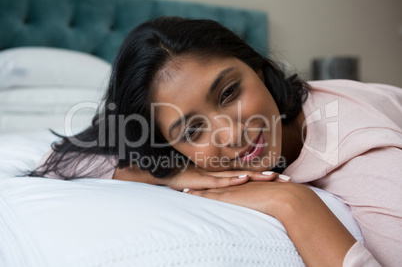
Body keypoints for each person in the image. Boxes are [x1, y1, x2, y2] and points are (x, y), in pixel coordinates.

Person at [30, 16, 402, 266]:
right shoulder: (172, 155)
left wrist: (292, 202)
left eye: (228, 93)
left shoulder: (368, 157)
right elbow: (63, 160)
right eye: (192, 131)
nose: (229, 134)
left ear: (255, 67)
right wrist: (172, 173)